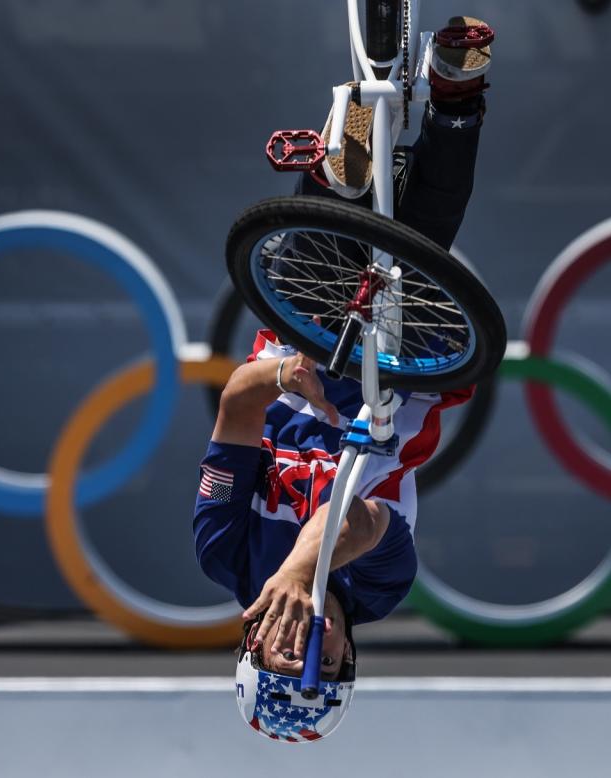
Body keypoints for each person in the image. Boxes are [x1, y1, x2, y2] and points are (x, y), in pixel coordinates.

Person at [193, 17, 492, 743]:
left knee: (335, 206)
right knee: (424, 233)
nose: (309, 654)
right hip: (404, 373)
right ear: (352, 658)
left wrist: (284, 374)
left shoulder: (222, 553)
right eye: (327, 669)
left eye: (284, 663)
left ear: (250, 646)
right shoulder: (380, 589)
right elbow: (359, 523)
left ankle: (347, 145)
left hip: (301, 342)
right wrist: (301, 568)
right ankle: (458, 86)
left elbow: (234, 405)